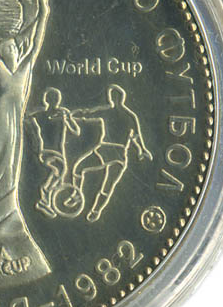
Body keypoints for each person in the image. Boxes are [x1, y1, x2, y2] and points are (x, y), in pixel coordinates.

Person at [72, 85, 153, 222]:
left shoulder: (108, 112)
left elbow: (89, 114)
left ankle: (76, 195)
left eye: (111, 97)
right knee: (107, 187)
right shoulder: (130, 116)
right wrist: (141, 150)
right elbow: (135, 137)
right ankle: (95, 211)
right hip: (120, 155)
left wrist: (76, 115)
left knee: (79, 169)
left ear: (114, 98)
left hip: (105, 150)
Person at [26, 88, 80, 217]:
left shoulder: (61, 115)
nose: (54, 102)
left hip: (59, 152)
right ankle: (44, 198)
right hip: (47, 151)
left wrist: (67, 119)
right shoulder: (41, 115)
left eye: (55, 99)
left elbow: (76, 131)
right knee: (59, 170)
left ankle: (49, 202)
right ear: (47, 100)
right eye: (52, 99)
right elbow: (26, 116)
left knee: (59, 176)